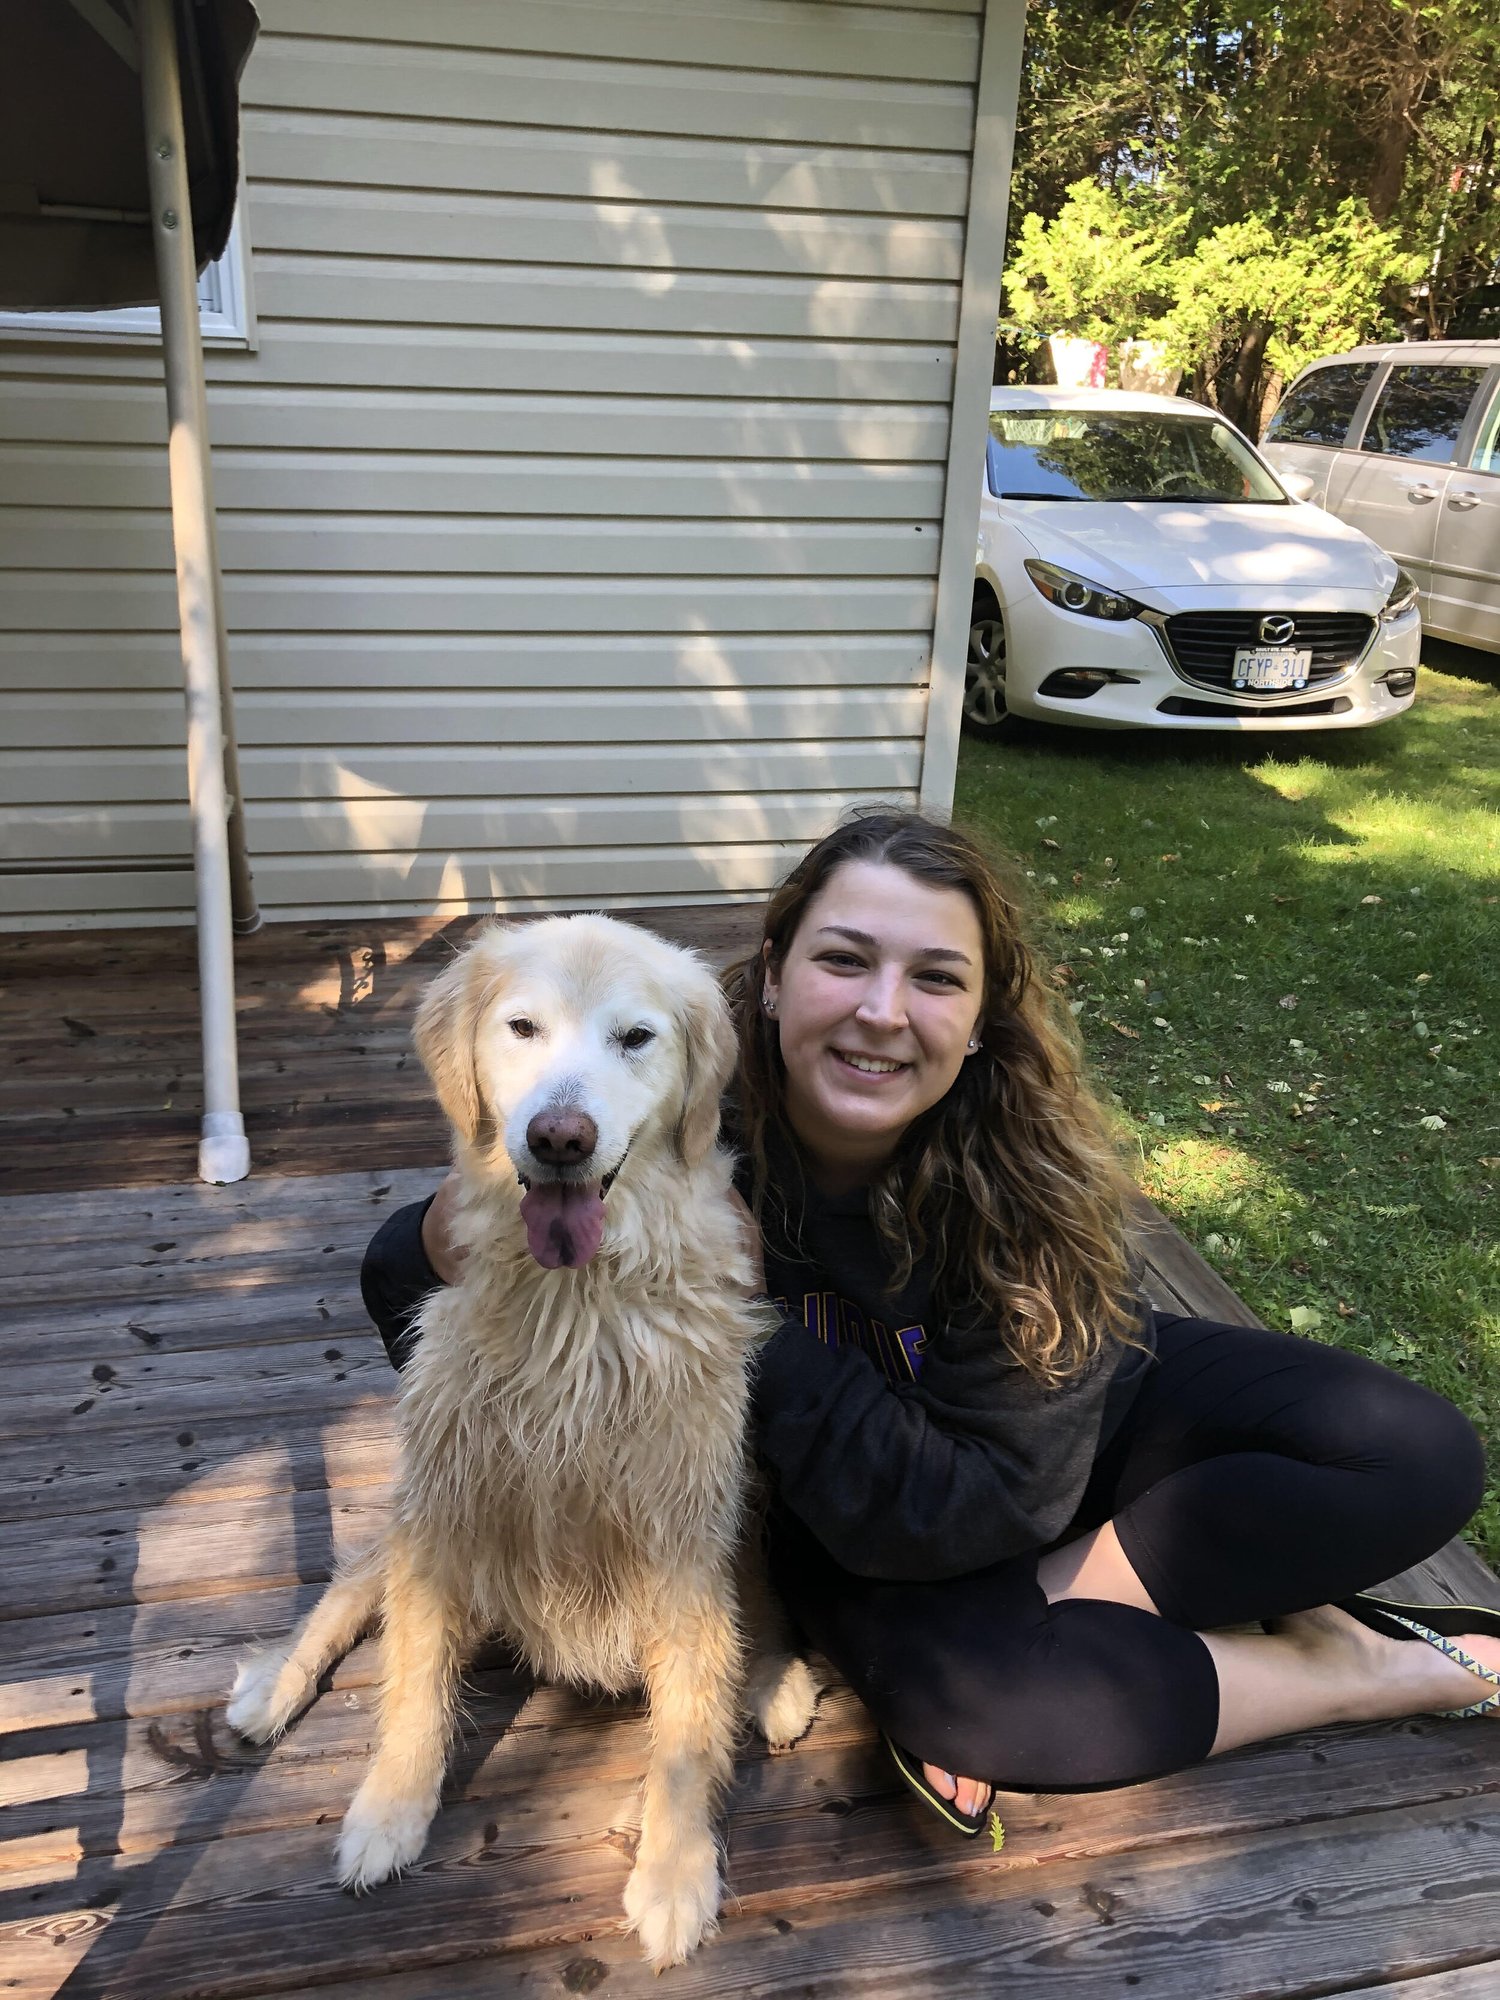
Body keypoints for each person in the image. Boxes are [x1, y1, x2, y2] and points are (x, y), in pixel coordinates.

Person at [361, 809, 1498, 1836]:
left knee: (1415, 1452)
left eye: (937, 977)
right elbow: (424, 1271)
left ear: (982, 1018)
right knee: (990, 1706)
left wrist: (752, 1310)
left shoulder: (1027, 1178)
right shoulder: (676, 1103)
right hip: (850, 1510)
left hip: (1021, 1450)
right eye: (845, 959)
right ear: (773, 977)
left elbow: (985, 1501)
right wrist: (436, 1240)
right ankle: (1358, 1670)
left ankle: (1073, 1608)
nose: (882, 1011)